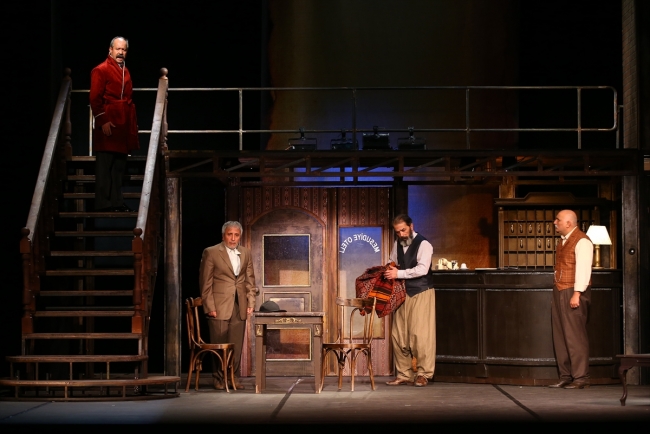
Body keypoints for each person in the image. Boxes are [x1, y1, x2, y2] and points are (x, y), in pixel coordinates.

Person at [200, 221, 256, 389]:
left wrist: (251, 301)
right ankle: (218, 378)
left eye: (236, 235)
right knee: (219, 343)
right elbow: (205, 282)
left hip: (239, 304)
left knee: (236, 344)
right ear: (223, 235)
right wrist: (209, 306)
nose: (233, 238)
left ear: (240, 236)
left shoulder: (245, 253)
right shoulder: (211, 252)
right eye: (229, 234)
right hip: (219, 305)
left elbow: (250, 279)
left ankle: (233, 377)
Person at [383, 214, 436, 387]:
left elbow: (422, 269)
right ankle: (404, 374)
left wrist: (398, 273)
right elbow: (393, 261)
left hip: (421, 292)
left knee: (421, 335)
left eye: (403, 230)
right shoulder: (397, 244)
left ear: (411, 226)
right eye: (398, 232)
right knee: (398, 335)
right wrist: (389, 268)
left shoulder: (424, 244)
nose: (401, 234)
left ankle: (423, 374)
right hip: (402, 293)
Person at [89, 36, 139, 212]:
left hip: (123, 123)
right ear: (110, 50)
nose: (121, 53)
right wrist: (102, 120)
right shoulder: (101, 70)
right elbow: (94, 99)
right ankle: (103, 203)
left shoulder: (125, 70)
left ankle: (117, 202)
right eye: (118, 49)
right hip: (109, 121)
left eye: (124, 49)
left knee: (118, 167)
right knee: (105, 165)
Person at [549, 209, 594, 389]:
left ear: (568, 223)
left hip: (573, 291)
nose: (555, 222)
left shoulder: (582, 240)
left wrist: (577, 293)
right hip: (560, 289)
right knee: (560, 335)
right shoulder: (563, 241)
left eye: (558, 219)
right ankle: (566, 375)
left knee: (575, 335)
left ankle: (581, 377)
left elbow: (583, 268)